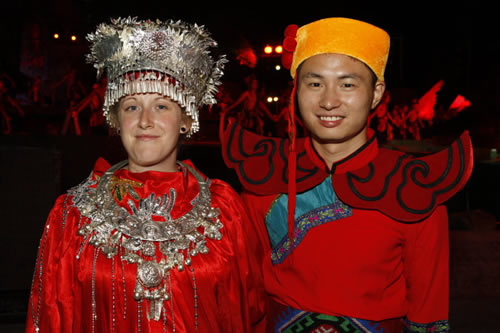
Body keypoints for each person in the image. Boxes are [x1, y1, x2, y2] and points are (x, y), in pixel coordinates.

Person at [220, 17, 473, 332]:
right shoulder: (264, 176)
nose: (328, 100)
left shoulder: (411, 187)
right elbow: (249, 296)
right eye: (315, 83)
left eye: (348, 84)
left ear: (376, 93)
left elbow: (428, 313)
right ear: (296, 90)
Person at [26, 17, 266, 333]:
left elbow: (251, 313)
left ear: (185, 120)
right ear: (116, 120)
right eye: (131, 107)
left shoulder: (225, 209)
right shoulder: (71, 214)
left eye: (162, 106)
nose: (145, 121)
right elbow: (49, 318)